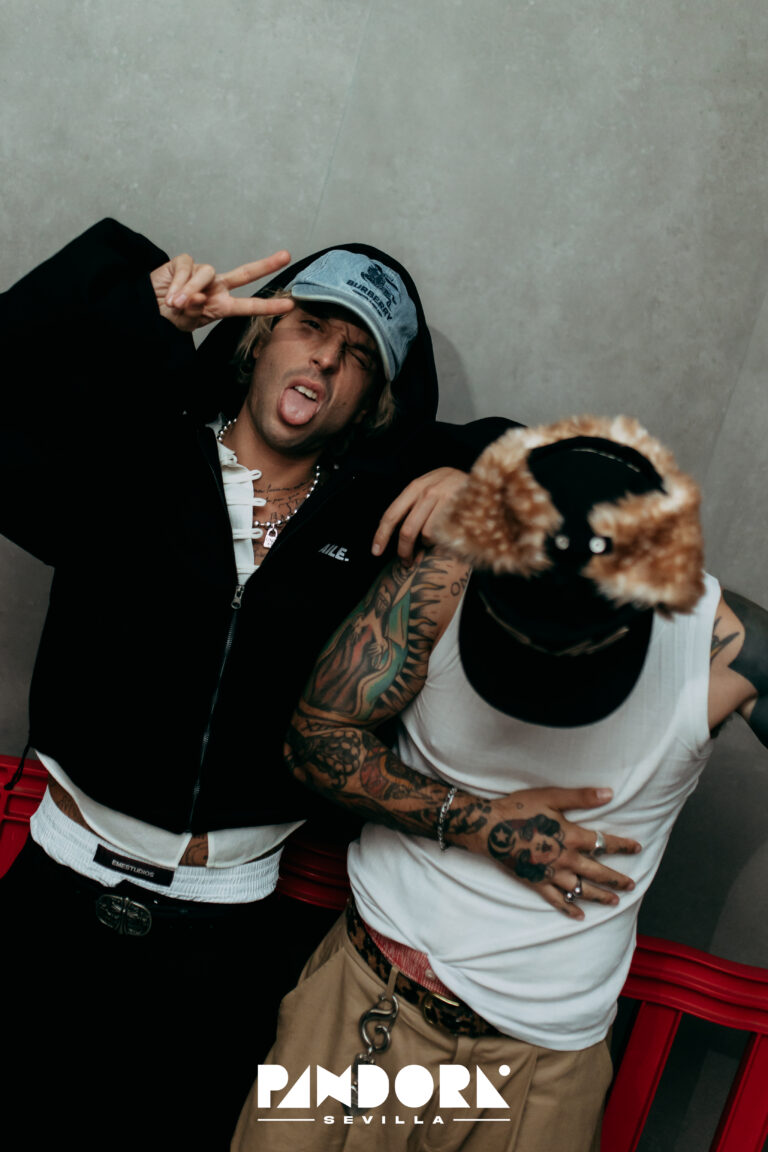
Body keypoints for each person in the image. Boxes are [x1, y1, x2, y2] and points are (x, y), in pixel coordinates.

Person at [0, 219, 513, 1150]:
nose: (328, 357)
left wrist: (493, 478)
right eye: (310, 324)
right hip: (53, 904)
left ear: (375, 402)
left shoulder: (375, 525)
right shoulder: (131, 450)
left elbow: (598, 489)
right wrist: (133, 311)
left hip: (225, 940)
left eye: (360, 354)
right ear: (257, 338)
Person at [235, 414, 768, 1152]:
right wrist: (478, 823)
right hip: (369, 1005)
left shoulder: (726, 646)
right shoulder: (445, 577)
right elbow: (316, 737)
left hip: (545, 1067)